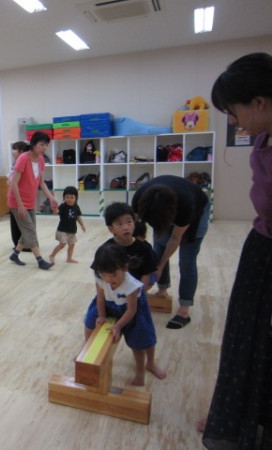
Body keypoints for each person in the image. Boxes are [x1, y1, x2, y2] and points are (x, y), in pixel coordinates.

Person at [201, 52, 272, 450]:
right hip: (261, 245)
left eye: (233, 111)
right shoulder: (262, 138)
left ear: (259, 102)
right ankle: (232, 418)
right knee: (245, 338)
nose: (232, 121)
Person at [131, 174, 210, 329]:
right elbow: (135, 231)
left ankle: (184, 309)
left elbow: (175, 238)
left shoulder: (186, 205)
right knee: (158, 252)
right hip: (167, 210)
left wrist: (160, 267)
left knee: (186, 261)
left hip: (198, 211)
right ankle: (162, 291)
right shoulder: (139, 199)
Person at [84, 242, 167, 386]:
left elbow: (131, 310)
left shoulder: (131, 285)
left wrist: (118, 326)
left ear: (125, 268)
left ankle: (147, 365)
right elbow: (100, 298)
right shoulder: (100, 277)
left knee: (141, 340)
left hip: (131, 309)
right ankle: (86, 352)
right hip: (109, 304)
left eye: (113, 275)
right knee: (90, 320)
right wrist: (101, 315)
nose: (109, 279)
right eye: (104, 275)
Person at [8, 131, 58, 269]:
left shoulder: (41, 160)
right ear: (33, 144)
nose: (44, 148)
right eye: (42, 145)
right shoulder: (23, 158)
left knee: (29, 230)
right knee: (30, 231)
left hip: (29, 202)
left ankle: (15, 255)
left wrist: (51, 198)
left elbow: (41, 182)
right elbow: (13, 183)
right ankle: (40, 261)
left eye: (46, 145)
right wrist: (20, 205)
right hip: (17, 202)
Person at [104, 202, 157, 290]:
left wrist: (140, 292)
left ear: (134, 223)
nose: (126, 227)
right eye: (119, 224)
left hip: (136, 290)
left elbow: (146, 273)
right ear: (111, 229)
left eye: (129, 222)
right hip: (114, 290)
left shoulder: (144, 248)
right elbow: (101, 273)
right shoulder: (106, 249)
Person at [48, 186, 86, 264]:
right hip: (62, 230)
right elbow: (56, 213)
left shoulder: (76, 207)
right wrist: (55, 209)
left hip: (72, 230)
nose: (69, 199)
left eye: (71, 197)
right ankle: (52, 255)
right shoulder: (62, 206)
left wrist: (82, 225)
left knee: (72, 245)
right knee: (62, 244)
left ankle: (69, 258)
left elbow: (78, 217)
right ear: (64, 197)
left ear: (76, 198)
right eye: (67, 197)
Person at [8, 141, 30, 250]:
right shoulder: (15, 163)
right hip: (14, 196)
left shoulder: (23, 162)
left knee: (23, 222)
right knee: (16, 223)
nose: (12, 152)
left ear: (21, 151)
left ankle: (25, 244)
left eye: (14, 149)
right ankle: (18, 244)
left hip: (21, 196)